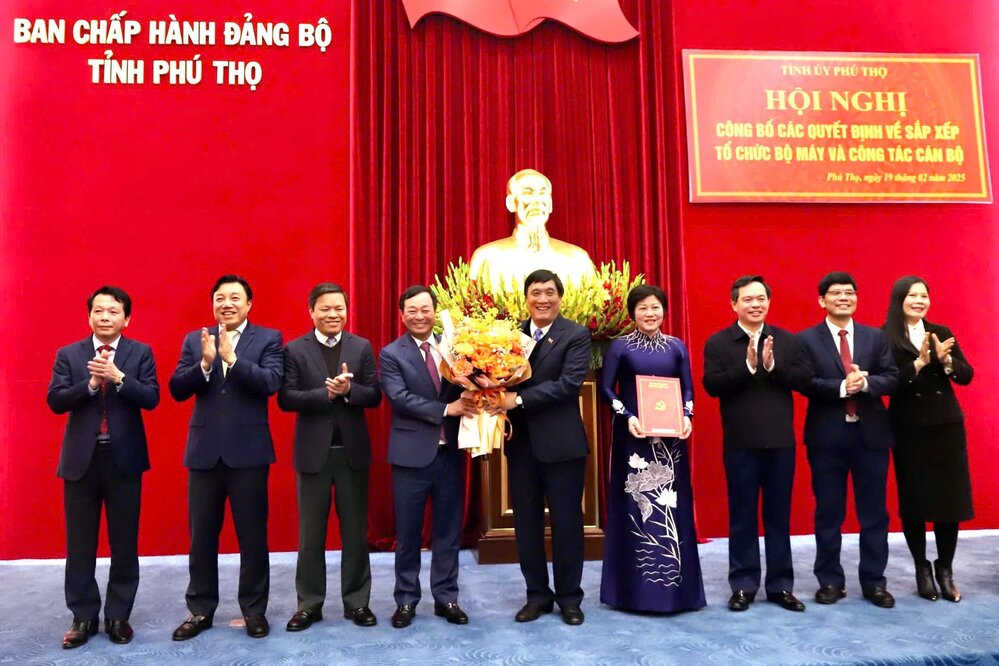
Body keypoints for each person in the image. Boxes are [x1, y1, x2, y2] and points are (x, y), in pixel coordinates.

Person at [169, 274, 283, 640]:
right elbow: (176, 389)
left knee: (252, 536)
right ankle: (200, 610)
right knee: (201, 536)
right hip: (204, 454)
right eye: (220, 298)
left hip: (249, 454)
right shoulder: (195, 339)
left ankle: (253, 611)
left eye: (235, 297)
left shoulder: (268, 338)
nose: (226, 304)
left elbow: (270, 383)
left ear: (249, 304)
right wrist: (203, 365)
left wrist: (233, 360)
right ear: (213, 304)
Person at [47, 286, 159, 648]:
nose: (105, 317)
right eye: (99, 311)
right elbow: (56, 400)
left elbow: (152, 397)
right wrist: (91, 384)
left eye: (113, 311)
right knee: (80, 544)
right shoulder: (70, 354)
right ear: (89, 316)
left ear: (127, 318)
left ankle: (118, 617)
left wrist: (119, 377)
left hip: (124, 460)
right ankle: (82, 617)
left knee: (124, 543)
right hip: (81, 461)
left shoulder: (140, 352)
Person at [703, 276, 811, 612]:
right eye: (748, 299)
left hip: (780, 443)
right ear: (734, 304)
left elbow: (805, 382)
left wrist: (772, 367)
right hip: (740, 442)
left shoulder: (786, 341)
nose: (756, 304)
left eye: (761, 298)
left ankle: (780, 586)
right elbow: (712, 385)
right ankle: (744, 585)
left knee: (779, 517)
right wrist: (748, 367)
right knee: (742, 517)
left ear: (769, 302)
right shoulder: (719, 343)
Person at [278, 282, 382, 631]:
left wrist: (350, 390)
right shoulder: (294, 349)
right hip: (312, 454)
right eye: (325, 308)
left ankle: (357, 603)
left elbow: (374, 395)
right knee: (311, 534)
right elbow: (286, 398)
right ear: (311, 311)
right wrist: (326, 394)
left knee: (355, 533)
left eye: (339, 308)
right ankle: (309, 604)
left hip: (351, 453)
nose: (333, 314)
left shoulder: (361, 346)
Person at [599, 284, 705, 613]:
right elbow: (606, 388)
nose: (650, 313)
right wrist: (626, 415)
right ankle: (631, 593)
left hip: (671, 442)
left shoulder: (676, 347)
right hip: (635, 438)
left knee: (672, 508)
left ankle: (677, 594)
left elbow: (687, 388)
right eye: (643, 307)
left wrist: (687, 415)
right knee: (636, 508)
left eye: (656, 307)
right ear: (632, 313)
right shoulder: (621, 346)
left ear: (664, 311)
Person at [493, 269, 591, 624]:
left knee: (567, 524)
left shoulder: (576, 335)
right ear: (527, 298)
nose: (543, 299)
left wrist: (515, 401)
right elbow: (494, 375)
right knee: (527, 525)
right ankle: (537, 595)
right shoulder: (509, 335)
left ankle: (569, 598)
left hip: (562, 446)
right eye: (536, 292)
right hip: (521, 446)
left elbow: (568, 385)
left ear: (560, 297)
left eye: (550, 292)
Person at [798, 271, 898, 609]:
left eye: (850, 292)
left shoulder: (875, 337)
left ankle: (874, 582)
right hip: (827, 437)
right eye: (836, 293)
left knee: (875, 513)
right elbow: (804, 382)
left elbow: (892, 377)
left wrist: (866, 385)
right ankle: (830, 581)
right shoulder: (806, 340)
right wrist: (843, 387)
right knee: (829, 512)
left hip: (871, 436)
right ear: (821, 300)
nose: (844, 297)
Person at [379, 285, 478, 628]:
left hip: (450, 455)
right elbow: (399, 398)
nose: (419, 316)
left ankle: (446, 598)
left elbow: (474, 384)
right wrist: (446, 409)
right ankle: (406, 600)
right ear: (402, 315)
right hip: (410, 456)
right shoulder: (391, 354)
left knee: (448, 533)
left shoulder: (455, 347)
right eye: (412, 311)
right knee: (408, 535)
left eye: (425, 309)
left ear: (435, 311)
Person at [882, 276, 973, 602]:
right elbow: (888, 384)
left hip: (946, 425)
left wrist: (946, 361)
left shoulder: (942, 332)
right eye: (912, 295)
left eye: (924, 295)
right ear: (899, 300)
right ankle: (922, 568)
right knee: (916, 500)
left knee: (950, 501)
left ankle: (945, 569)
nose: (919, 301)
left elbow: (966, 375)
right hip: (909, 427)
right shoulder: (886, 336)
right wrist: (919, 363)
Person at [468, 169, 596, 291]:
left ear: (550, 204)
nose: (536, 201)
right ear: (511, 203)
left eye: (542, 193)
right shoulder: (486, 258)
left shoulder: (577, 259)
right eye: (527, 193)